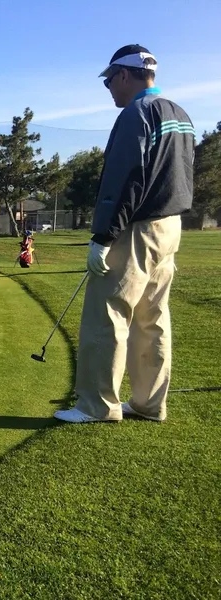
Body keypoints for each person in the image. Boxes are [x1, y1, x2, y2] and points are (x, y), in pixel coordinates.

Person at [54, 45, 195, 424]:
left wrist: (102, 237)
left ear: (123, 75)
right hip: (171, 227)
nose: (108, 88)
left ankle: (97, 406)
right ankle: (150, 405)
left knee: (108, 315)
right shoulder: (179, 114)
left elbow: (126, 180)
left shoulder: (137, 113)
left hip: (136, 228)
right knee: (153, 317)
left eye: (108, 80)